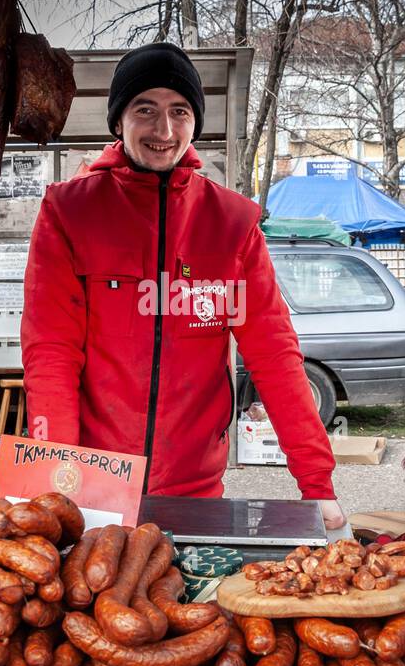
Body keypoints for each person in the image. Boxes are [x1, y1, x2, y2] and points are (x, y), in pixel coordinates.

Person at [21, 42, 341, 527]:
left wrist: (317, 485)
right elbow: (51, 353)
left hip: (196, 487)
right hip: (94, 483)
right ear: (118, 120)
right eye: (144, 109)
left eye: (180, 111)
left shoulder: (232, 222)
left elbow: (273, 354)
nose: (163, 130)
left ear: (196, 122)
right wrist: (55, 479)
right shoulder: (70, 212)